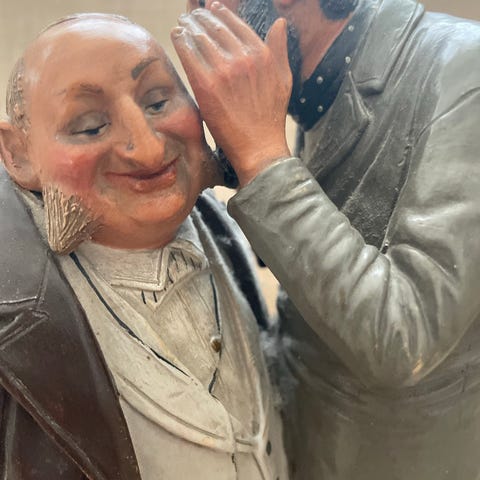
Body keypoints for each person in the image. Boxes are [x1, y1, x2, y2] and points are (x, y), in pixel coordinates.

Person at [173, 1, 480, 479]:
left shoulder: (463, 70)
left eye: (208, 1)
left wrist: (262, 158)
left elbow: (404, 337)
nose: (202, 17)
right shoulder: (312, 87)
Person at [0, 13, 289, 480]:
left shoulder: (225, 229)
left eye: (157, 101)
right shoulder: (14, 316)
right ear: (18, 154)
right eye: (90, 127)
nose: (149, 148)